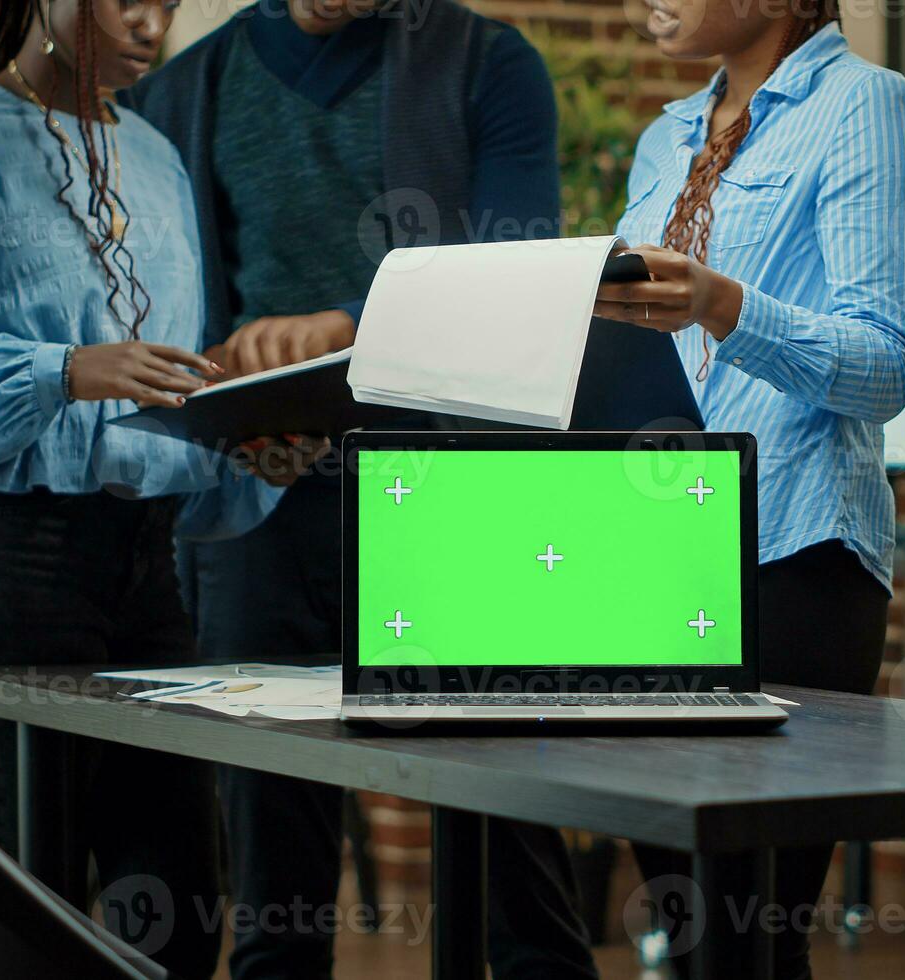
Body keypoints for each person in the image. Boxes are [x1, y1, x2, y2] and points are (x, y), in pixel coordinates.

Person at [122, 2, 599, 978]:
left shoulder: (486, 66)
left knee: (518, 880)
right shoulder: (179, 94)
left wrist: (349, 323)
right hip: (259, 507)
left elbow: (521, 283)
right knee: (273, 873)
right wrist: (229, 378)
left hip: (458, 512)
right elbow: (163, 313)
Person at [0, 0, 299, 973]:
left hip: (148, 573)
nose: (152, 20)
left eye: (169, 3)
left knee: (177, 908)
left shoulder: (159, 161)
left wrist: (247, 455)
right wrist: (58, 370)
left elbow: (162, 407)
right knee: (21, 919)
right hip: (8, 567)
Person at [594, 2, 905, 976]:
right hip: (656, 562)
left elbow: (884, 365)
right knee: (692, 929)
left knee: (751, 932)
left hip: (792, 553)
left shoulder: (866, 107)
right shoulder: (664, 139)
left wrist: (721, 304)